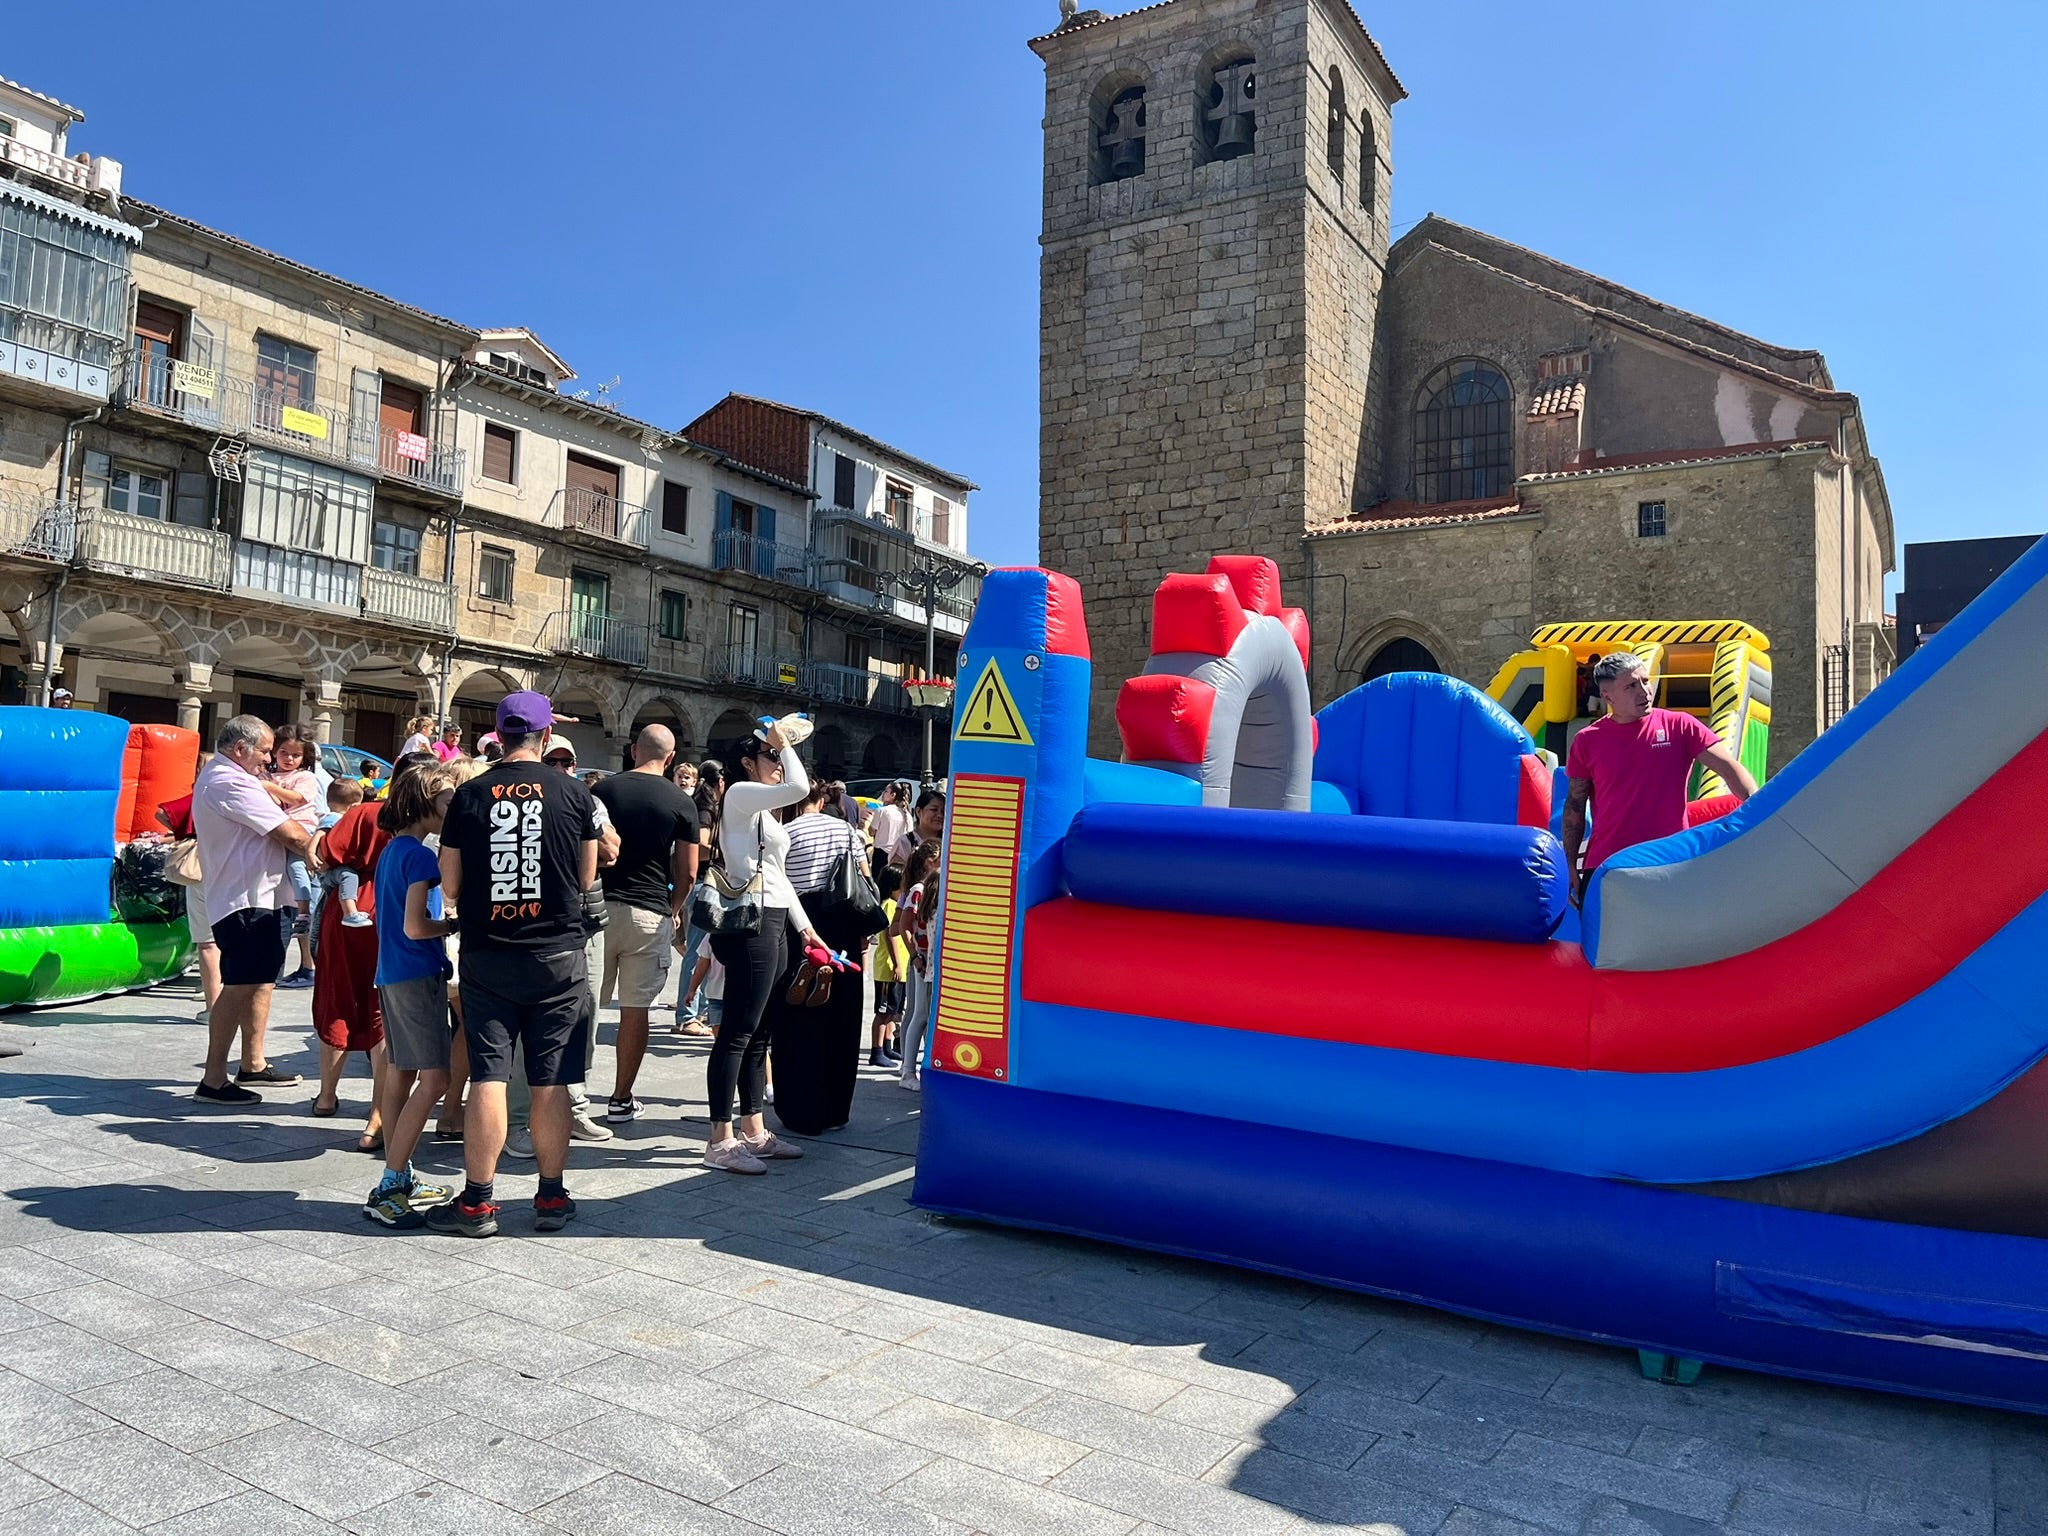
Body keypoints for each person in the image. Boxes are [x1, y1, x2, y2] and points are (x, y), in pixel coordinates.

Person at [430, 691, 602, 1237]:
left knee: (490, 1074)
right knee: (551, 1080)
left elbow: (450, 886)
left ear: (497, 736)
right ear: (546, 736)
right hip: (557, 954)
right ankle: (550, 1197)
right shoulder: (575, 794)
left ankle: (478, 1202)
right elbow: (586, 879)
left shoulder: (469, 795)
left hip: (490, 953)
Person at [702, 723, 824, 1173]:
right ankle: (720, 1139)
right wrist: (784, 741)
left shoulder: (764, 814)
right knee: (738, 1030)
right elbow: (800, 786)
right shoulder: (739, 795)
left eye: (777, 755)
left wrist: (806, 928)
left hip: (773, 918)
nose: (778, 762)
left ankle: (753, 1131)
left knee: (760, 1035)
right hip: (750, 922)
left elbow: (777, 874)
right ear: (749, 763)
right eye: (769, 756)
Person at [190, 715, 320, 1104]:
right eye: (264, 751)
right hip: (244, 899)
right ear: (240, 749)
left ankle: (253, 1063)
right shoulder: (228, 781)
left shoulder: (238, 777)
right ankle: (213, 1078)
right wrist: (329, 852)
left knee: (262, 980)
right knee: (240, 984)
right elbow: (289, 832)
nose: (268, 760)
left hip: (266, 895)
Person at [499, 739, 619, 1155]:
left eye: (568, 762)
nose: (561, 768)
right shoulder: (516, 801)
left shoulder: (584, 799)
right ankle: (518, 1119)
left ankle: (575, 1105)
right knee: (523, 1028)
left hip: (584, 924)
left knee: (584, 1017)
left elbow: (611, 850)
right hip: (533, 928)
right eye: (553, 761)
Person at [311, 751, 437, 1147]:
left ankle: (327, 1097)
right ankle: (377, 1115)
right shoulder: (427, 825)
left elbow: (324, 854)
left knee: (337, 1001)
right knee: (383, 1014)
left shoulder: (364, 812)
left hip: (348, 915)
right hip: (394, 912)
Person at [1562, 651, 1758, 901]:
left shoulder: (1680, 725)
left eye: (1645, 680)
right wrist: (1570, 864)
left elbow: (1730, 769)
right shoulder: (1587, 740)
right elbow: (1575, 805)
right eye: (1631, 686)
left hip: (1671, 860)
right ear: (1607, 695)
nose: (1644, 691)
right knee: (1604, 940)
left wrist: (1758, 808)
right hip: (1609, 865)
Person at [362, 764, 458, 1227]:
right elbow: (416, 927)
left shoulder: (392, 851)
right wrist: (454, 926)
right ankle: (389, 1184)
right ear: (425, 803)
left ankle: (399, 1175)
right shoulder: (421, 857)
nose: (452, 809)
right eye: (446, 801)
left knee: (401, 1074)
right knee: (436, 1080)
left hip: (392, 973)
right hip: (418, 974)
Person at [594, 724, 699, 1121]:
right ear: (670, 758)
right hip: (649, 912)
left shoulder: (603, 790)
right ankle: (621, 1098)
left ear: (633, 750)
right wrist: (673, 909)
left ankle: (569, 1097)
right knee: (635, 1010)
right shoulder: (680, 801)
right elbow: (687, 871)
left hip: (599, 906)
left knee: (582, 1006)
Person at [769, 781, 870, 1136]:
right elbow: (864, 877)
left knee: (796, 1014)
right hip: (843, 921)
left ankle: (799, 1108)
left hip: (800, 926)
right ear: (822, 799)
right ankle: (836, 1108)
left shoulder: (784, 832)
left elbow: (778, 883)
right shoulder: (846, 829)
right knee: (843, 1016)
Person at [156, 793, 220, 1025]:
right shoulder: (252, 789)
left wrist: (186, 832)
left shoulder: (204, 794)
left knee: (208, 942)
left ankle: (214, 1007)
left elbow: (162, 812)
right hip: (238, 870)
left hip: (203, 869)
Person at [269, 725, 324, 989]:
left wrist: (267, 785)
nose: (289, 759)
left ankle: (304, 911)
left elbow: (298, 799)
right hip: (277, 835)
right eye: (283, 752)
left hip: (301, 830)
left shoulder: (304, 778)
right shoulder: (268, 775)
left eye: (295, 755)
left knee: (297, 867)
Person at [891, 838, 942, 1092]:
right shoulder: (920, 890)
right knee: (919, 1013)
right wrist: (915, 956)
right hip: (923, 961)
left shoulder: (930, 888)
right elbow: (904, 926)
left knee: (923, 1014)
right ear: (932, 861)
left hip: (927, 960)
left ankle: (911, 1067)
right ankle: (907, 1069)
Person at [315, 778, 371, 932]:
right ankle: (350, 912)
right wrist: (310, 852)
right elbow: (319, 835)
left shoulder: (336, 817)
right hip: (330, 870)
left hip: (331, 868)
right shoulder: (334, 818)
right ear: (354, 807)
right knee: (349, 876)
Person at [869, 865, 908, 1067]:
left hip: (897, 970)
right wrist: (897, 964)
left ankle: (887, 1046)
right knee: (883, 1011)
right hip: (889, 968)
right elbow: (889, 935)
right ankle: (876, 1051)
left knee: (893, 1010)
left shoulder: (895, 904)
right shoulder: (889, 906)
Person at [869, 780, 912, 875]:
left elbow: (871, 831)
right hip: (899, 855)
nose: (883, 794)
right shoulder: (907, 815)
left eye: (885, 791)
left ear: (893, 795)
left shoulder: (882, 811)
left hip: (881, 853)